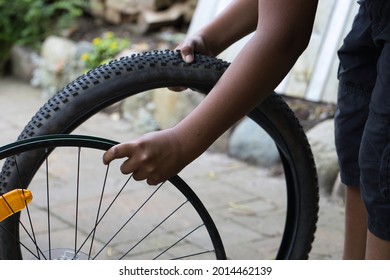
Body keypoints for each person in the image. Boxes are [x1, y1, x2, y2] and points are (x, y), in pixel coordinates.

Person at [102, 0, 390, 260]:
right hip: (373, 15)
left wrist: (181, 142)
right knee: (360, 155)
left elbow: (285, 35)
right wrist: (210, 38)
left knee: (383, 174)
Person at [335, 0, 390, 259]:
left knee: (382, 162)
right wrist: (209, 37)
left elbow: (284, 36)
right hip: (374, 8)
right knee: (353, 130)